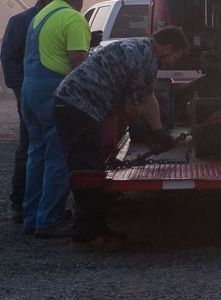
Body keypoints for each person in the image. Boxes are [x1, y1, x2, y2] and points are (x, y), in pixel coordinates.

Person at [52, 26, 189, 244]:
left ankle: (97, 228)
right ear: (167, 48)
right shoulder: (144, 60)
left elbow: (147, 95)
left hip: (73, 105)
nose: (172, 63)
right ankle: (87, 236)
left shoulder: (140, 48)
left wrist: (159, 129)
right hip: (78, 108)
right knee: (87, 171)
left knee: (93, 165)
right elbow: (132, 107)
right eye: (175, 56)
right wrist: (144, 132)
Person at [20, 0, 91, 237]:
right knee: (58, 157)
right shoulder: (73, 18)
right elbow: (77, 62)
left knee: (35, 155)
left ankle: (31, 217)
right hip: (54, 91)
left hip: (30, 90)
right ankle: (49, 219)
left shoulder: (40, 16)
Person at [1, 0, 60, 223]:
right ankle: (21, 205)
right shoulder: (22, 21)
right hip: (31, 95)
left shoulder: (56, 21)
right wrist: (18, 91)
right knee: (30, 149)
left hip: (44, 94)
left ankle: (39, 206)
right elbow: (9, 58)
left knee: (43, 150)